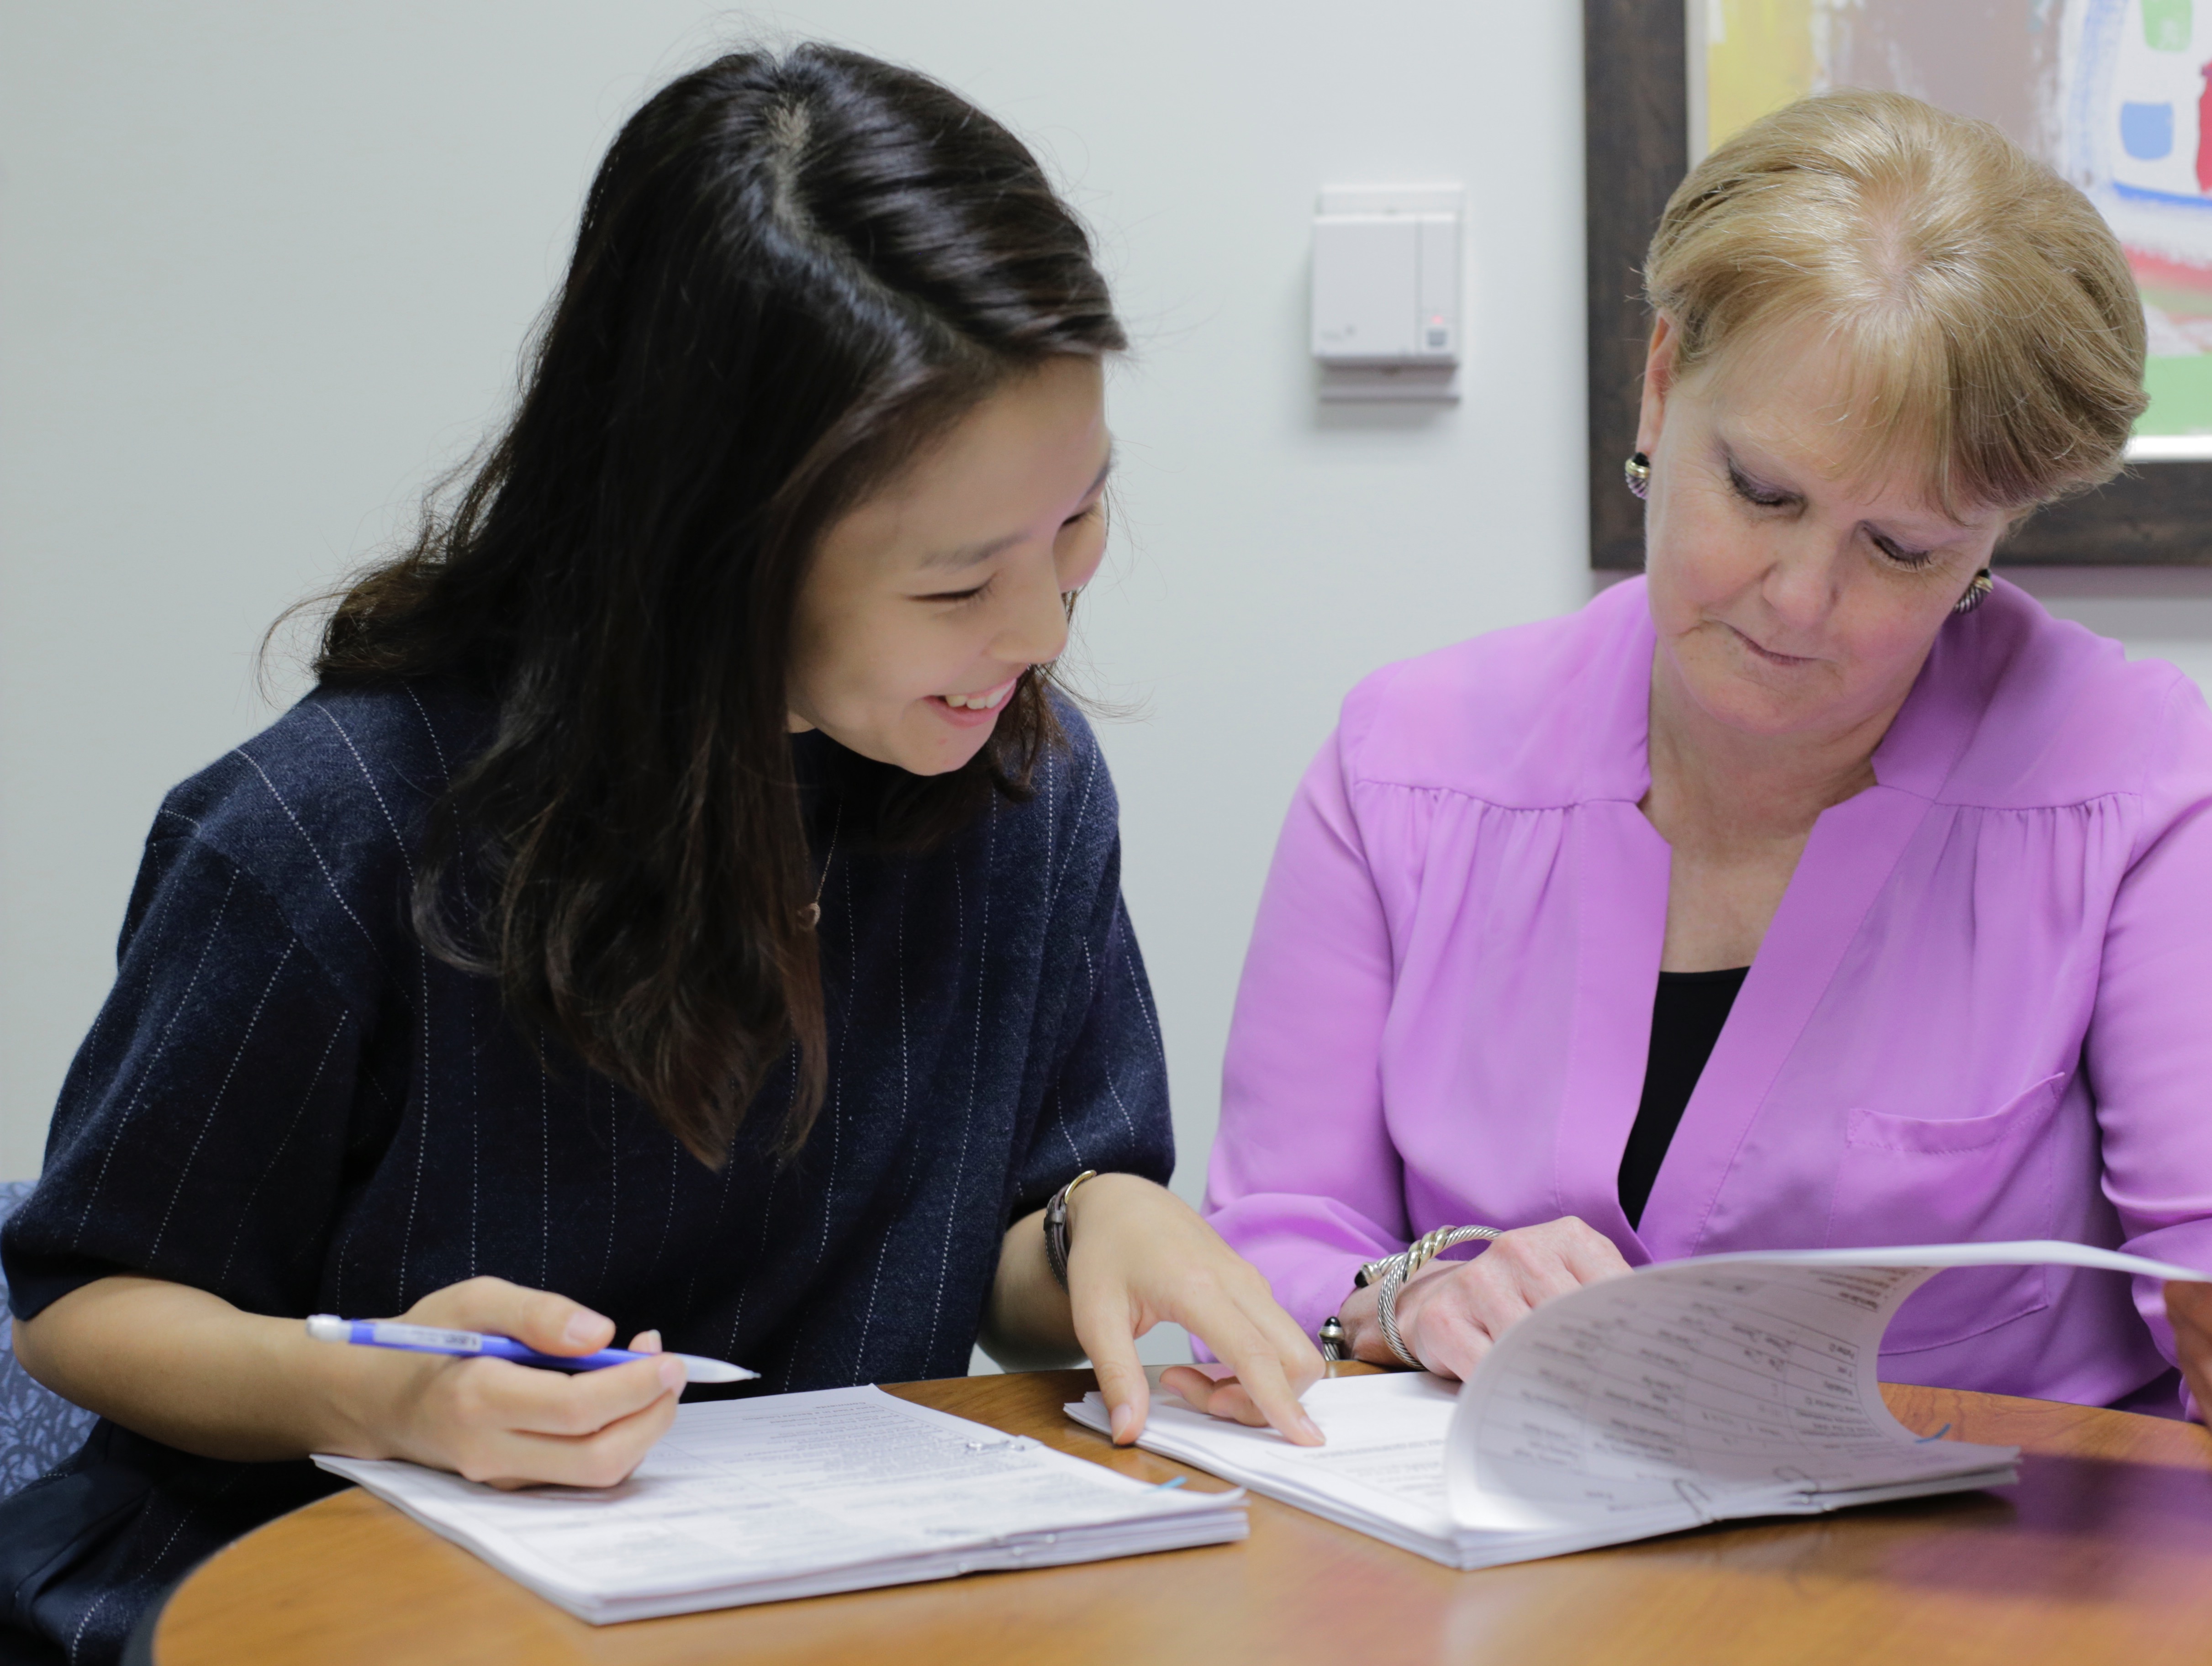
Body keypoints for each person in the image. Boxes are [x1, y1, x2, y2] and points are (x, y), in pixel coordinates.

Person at [0, 45, 1319, 1662]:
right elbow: (83, 1307)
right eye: (958, 584)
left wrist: (1093, 1227)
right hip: (305, 1599)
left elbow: (1018, 1248)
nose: (1044, 630)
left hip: (793, 1606)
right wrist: (385, 1396)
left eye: (1082, 522)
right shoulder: (325, 833)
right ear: (714, 552)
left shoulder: (1017, 796)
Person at [1174, 92, 2212, 1522]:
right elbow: (1273, 1244)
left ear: (1995, 534)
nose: (1800, 601)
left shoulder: (2133, 794)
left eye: (1902, 547)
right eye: (1763, 491)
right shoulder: (1407, 769)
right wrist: (1412, 1291)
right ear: (1663, 386)